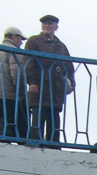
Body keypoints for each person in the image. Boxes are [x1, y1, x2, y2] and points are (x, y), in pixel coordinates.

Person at [24, 14, 75, 144]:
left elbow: (69, 66)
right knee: (38, 116)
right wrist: (32, 82)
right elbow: (29, 63)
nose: (47, 25)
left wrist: (71, 84)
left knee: (54, 118)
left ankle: (53, 144)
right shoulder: (34, 41)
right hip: (41, 85)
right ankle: (36, 143)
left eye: (50, 24)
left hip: (56, 88)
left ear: (55, 27)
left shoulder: (61, 46)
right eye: (45, 23)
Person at [0, 26, 28, 139]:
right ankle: (29, 145)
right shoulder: (14, 51)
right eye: (20, 39)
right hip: (8, 94)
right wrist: (21, 92)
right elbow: (16, 74)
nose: (21, 42)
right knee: (21, 124)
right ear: (14, 37)